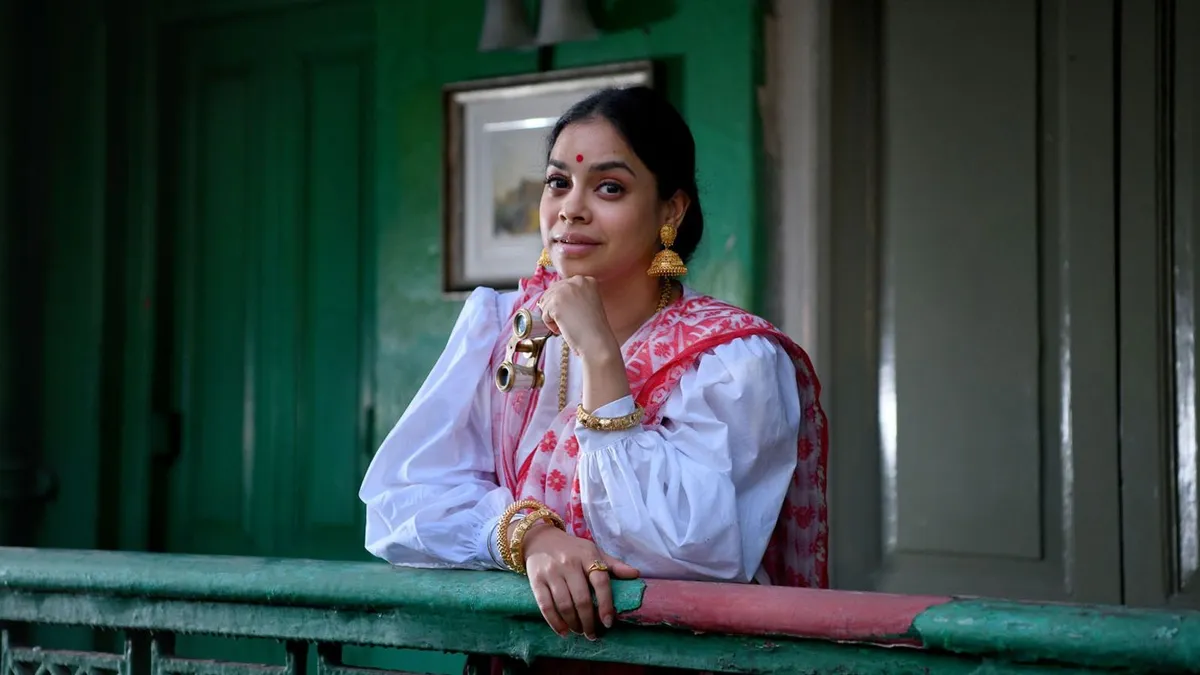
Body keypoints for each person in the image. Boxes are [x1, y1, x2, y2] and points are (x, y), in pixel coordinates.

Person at [358, 85, 828, 673]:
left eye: (609, 188)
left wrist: (602, 358)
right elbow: (401, 502)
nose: (571, 209)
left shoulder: (732, 359)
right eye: (558, 182)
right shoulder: (502, 326)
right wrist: (531, 536)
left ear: (671, 211)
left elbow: (693, 551)